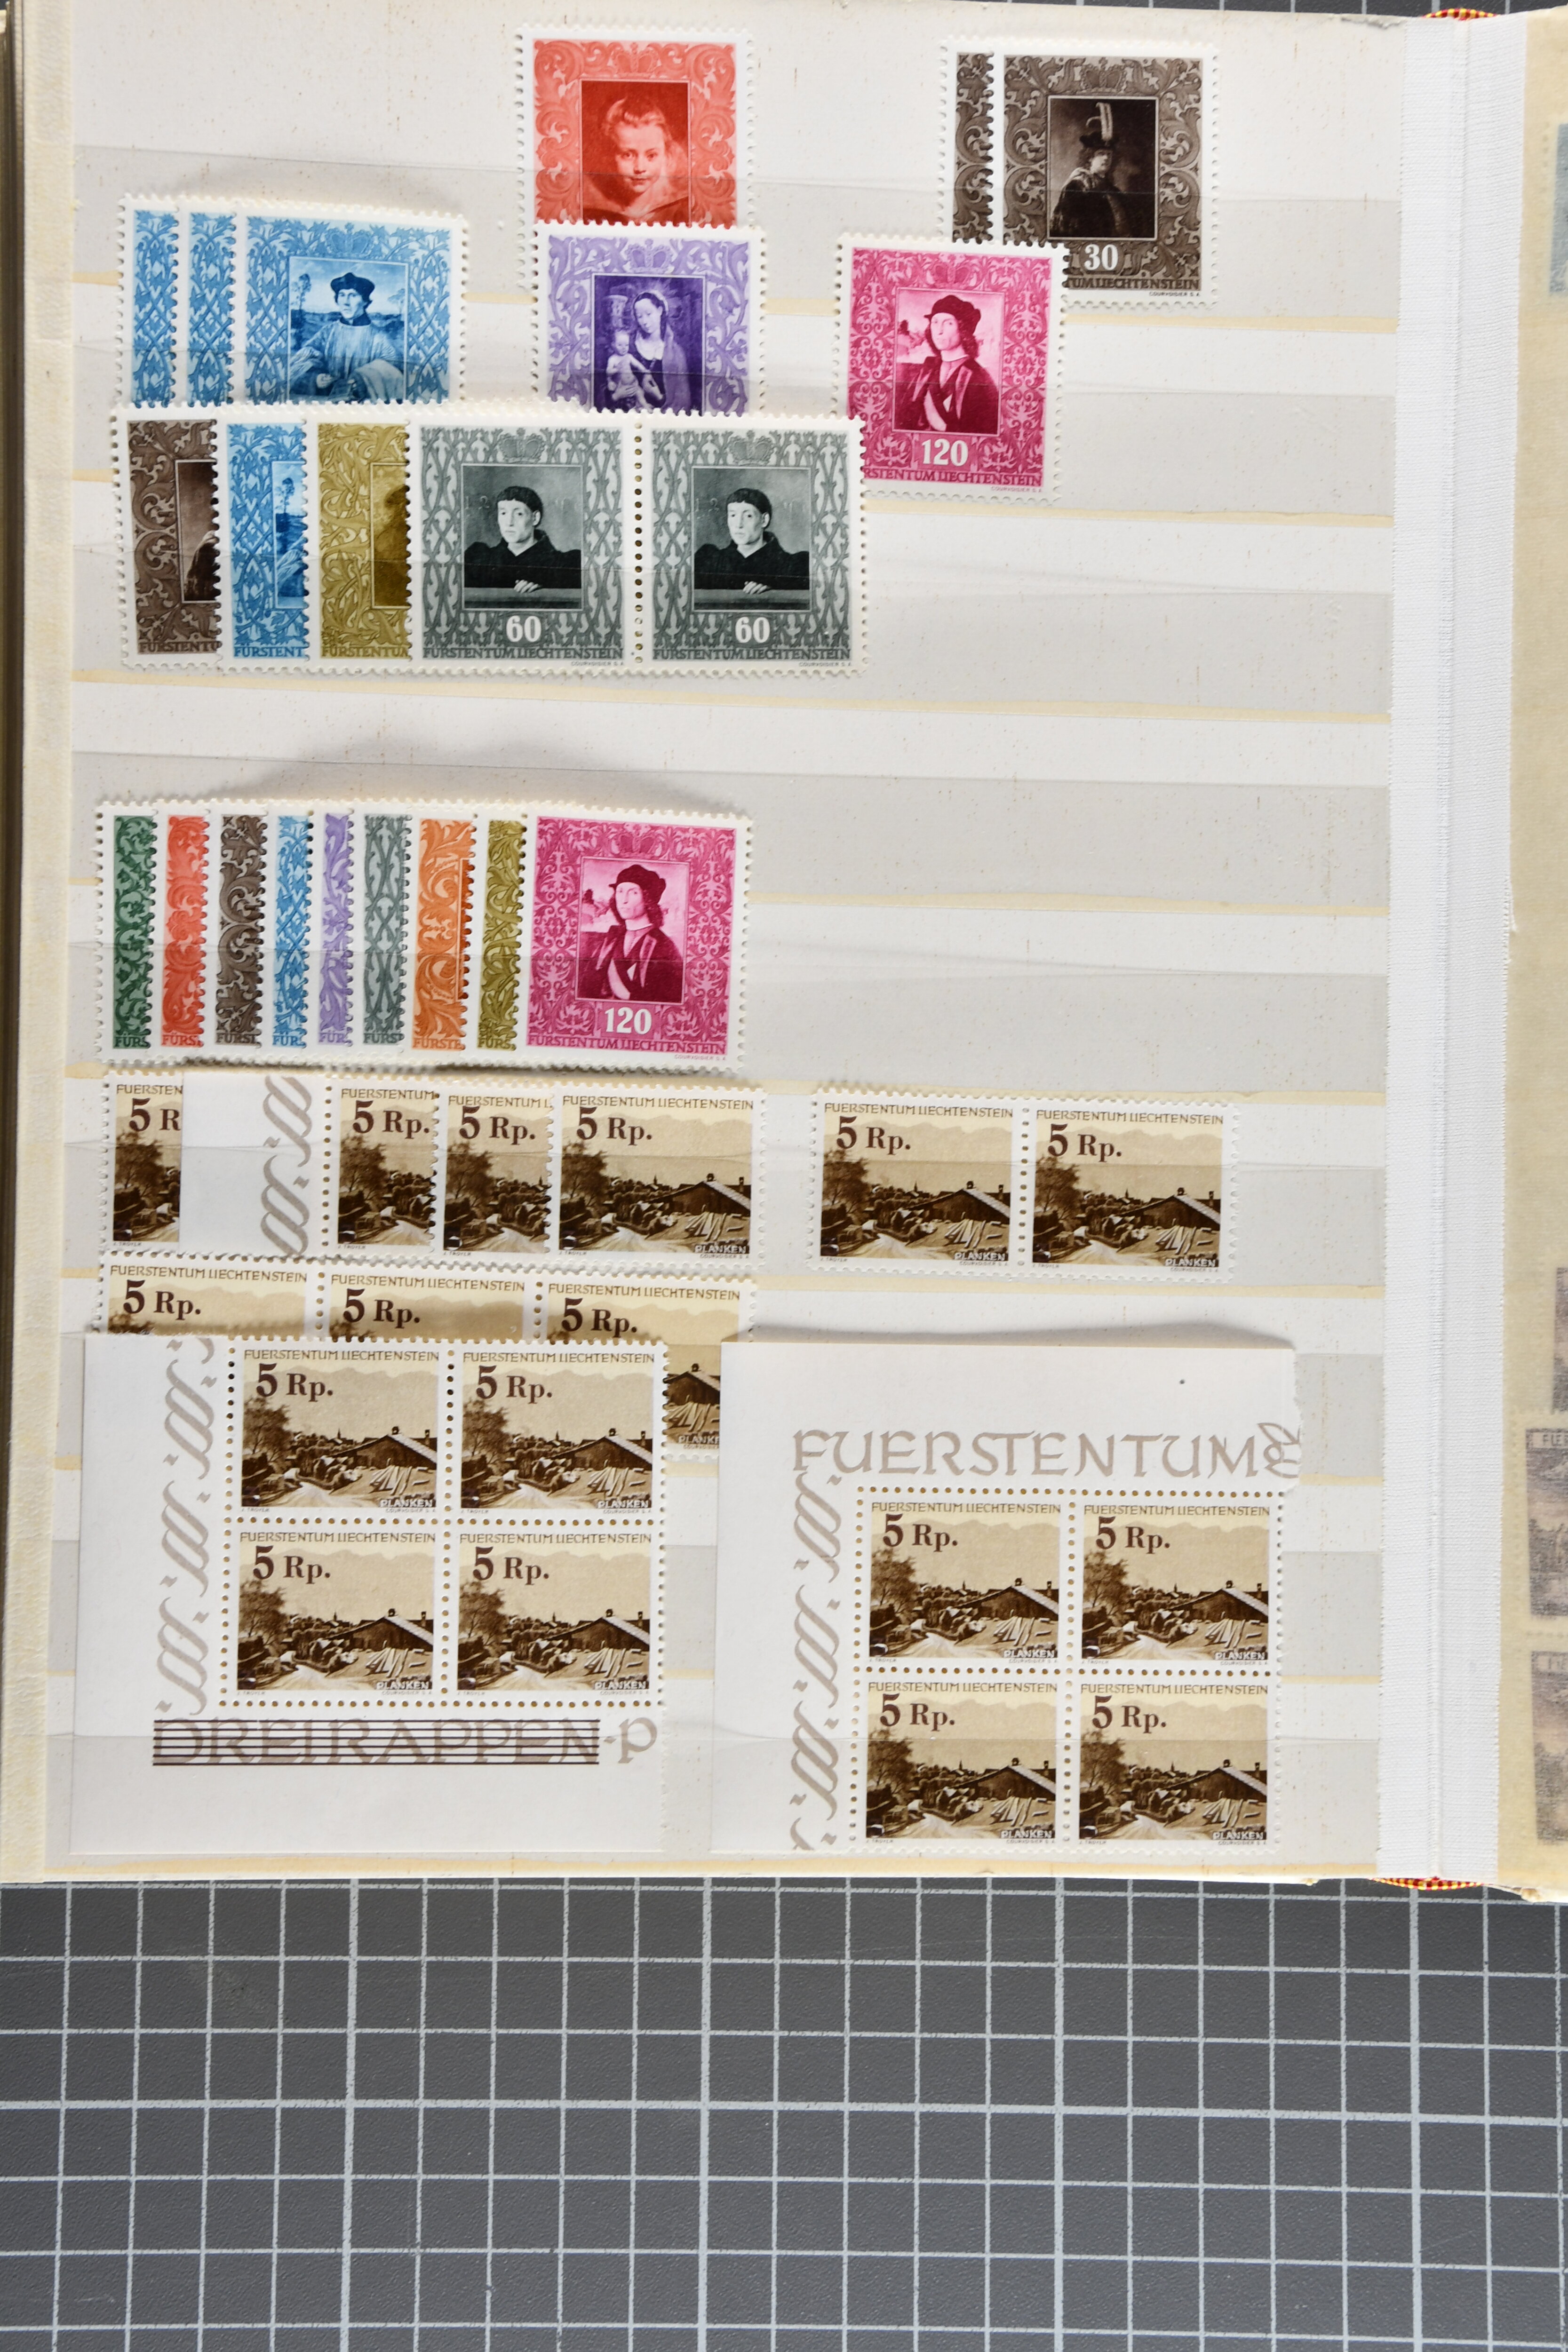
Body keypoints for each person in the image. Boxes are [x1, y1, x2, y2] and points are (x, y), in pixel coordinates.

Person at [892, 294, 1000, 437]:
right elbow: (904, 419)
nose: (939, 331)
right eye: (935, 322)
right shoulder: (927, 370)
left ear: (963, 329)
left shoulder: (978, 376)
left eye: (949, 324)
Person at [288, 271, 405, 401]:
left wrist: (363, 380)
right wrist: (316, 378)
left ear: (365, 301)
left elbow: (395, 372)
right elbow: (301, 362)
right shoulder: (327, 333)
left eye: (353, 295)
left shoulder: (379, 337)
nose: (346, 303)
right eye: (342, 295)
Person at [576, 865, 684, 1003]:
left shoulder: (663, 945)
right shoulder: (610, 940)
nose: (624, 900)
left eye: (634, 893)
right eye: (620, 892)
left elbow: (670, 999)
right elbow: (587, 988)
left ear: (648, 899)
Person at [1049, 103, 1155, 242]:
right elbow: (1066, 230)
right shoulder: (1077, 187)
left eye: (1109, 155)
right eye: (1101, 154)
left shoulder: (1114, 191)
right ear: (1089, 158)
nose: (1106, 158)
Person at [584, 94, 689, 225]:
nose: (640, 168)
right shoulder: (590, 210)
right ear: (608, 156)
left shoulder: (682, 211)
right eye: (628, 155)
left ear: (666, 156)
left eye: (651, 156)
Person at [463, 484, 581, 596]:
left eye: (519, 514)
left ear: (535, 518)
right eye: (503, 513)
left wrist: (546, 584)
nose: (509, 522)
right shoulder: (481, 559)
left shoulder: (563, 563)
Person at [693, 487, 809, 597]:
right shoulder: (711, 561)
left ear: (764, 520)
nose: (739, 524)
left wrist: (775, 588)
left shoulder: (792, 565)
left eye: (748, 516)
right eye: (733, 515)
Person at [620, 289, 694, 413]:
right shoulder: (629, 346)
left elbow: (682, 401)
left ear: (660, 311)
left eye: (649, 314)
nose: (645, 321)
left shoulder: (676, 353)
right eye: (640, 316)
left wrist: (659, 397)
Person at [273, 469, 304, 603]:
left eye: (289, 489)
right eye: (285, 489)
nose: (287, 491)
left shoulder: (291, 507)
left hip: (295, 549)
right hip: (286, 543)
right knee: (288, 555)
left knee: (291, 555)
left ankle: (276, 579)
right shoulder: (280, 504)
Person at [604, 327, 654, 409]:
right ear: (613, 345)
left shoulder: (629, 357)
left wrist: (645, 371)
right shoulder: (613, 359)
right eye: (620, 345)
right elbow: (608, 372)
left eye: (626, 345)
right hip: (620, 385)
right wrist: (617, 369)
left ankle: (644, 405)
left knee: (640, 392)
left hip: (632, 382)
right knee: (621, 398)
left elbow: (638, 365)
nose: (624, 348)